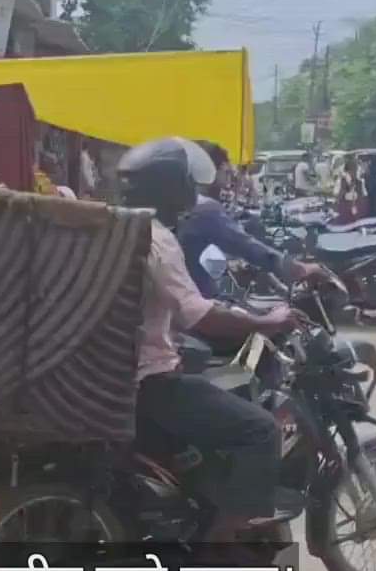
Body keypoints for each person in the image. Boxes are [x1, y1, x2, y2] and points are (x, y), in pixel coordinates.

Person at [119, 136, 300, 544]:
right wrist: (266, 323)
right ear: (173, 188)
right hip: (148, 382)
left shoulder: (119, 227)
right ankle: (226, 537)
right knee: (260, 430)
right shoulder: (156, 238)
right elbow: (197, 313)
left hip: (116, 376)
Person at [178, 141, 326, 298]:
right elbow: (244, 245)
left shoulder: (180, 204)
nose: (229, 180)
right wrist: (296, 268)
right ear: (208, 170)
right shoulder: (203, 207)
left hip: (188, 297)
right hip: (199, 301)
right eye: (226, 173)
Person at [332, 155, 368, 224]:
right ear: (347, 171)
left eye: (356, 170)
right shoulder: (341, 182)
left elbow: (364, 198)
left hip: (357, 216)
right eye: (353, 170)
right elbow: (337, 196)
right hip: (344, 216)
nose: (355, 172)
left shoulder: (360, 182)